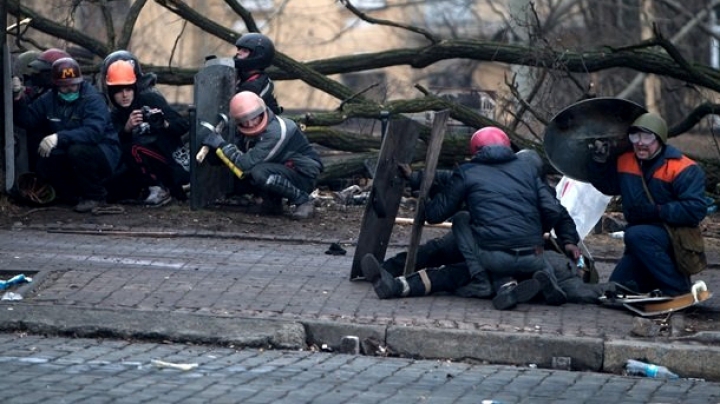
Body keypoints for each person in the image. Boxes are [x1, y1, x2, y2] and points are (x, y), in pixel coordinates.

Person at [363, 148, 608, 307]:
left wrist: (568, 241)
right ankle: (390, 274)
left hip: (492, 247)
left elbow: (560, 216)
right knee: (440, 254)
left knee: (450, 267)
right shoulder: (521, 180)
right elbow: (449, 177)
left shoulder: (533, 187)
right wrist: (417, 177)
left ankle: (396, 282)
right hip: (495, 244)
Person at [589, 112, 707, 296]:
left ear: (659, 139)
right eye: (635, 137)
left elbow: (695, 210)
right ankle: (654, 282)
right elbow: (608, 186)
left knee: (636, 235)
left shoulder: (683, 168)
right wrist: (599, 163)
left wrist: (656, 211)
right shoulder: (625, 160)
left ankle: (679, 290)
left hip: (675, 236)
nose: (640, 143)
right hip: (641, 241)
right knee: (618, 287)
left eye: (647, 137)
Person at [13, 57, 122, 213]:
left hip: (104, 151)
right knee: (47, 158)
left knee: (77, 152)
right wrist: (18, 98)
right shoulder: (49, 99)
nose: (70, 90)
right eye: (65, 87)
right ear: (56, 86)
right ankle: (71, 194)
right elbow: (27, 119)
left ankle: (96, 197)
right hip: (70, 147)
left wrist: (59, 137)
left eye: (74, 85)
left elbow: (93, 132)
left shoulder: (92, 99)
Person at [199, 91, 323, 219]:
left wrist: (221, 145)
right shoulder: (256, 130)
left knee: (259, 172)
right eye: (244, 120)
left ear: (262, 112)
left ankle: (303, 201)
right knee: (255, 170)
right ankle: (272, 204)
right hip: (286, 168)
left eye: (254, 117)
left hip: (304, 175)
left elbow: (245, 164)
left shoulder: (275, 132)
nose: (250, 124)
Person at [103, 59, 190, 205]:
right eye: (118, 91)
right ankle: (152, 188)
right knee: (111, 191)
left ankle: (159, 189)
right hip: (142, 165)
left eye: (128, 89)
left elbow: (183, 125)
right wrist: (127, 129)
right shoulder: (116, 115)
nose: (124, 95)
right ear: (112, 94)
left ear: (134, 88)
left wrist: (164, 123)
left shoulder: (150, 98)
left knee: (133, 148)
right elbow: (113, 147)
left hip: (171, 160)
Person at [234, 33, 282, 114]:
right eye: (239, 49)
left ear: (258, 55)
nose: (238, 53)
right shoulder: (239, 76)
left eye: (245, 51)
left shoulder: (255, 84)